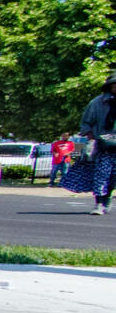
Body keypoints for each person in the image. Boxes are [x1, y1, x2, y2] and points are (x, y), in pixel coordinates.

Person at [59, 75, 116, 215]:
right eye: (114, 84)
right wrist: (92, 138)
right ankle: (99, 204)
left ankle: (107, 197)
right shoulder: (97, 103)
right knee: (101, 175)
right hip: (103, 147)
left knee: (114, 177)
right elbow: (86, 123)